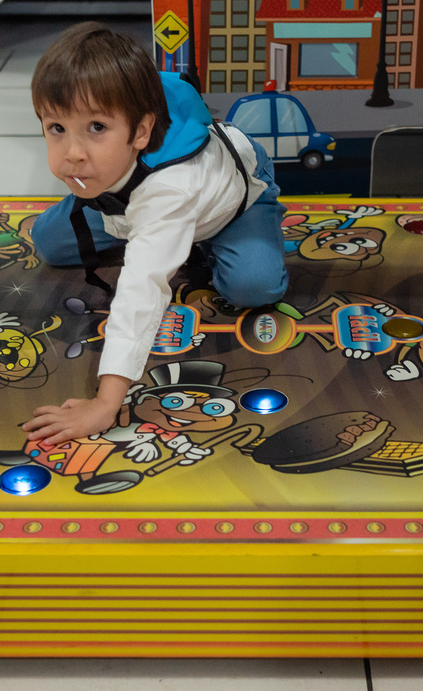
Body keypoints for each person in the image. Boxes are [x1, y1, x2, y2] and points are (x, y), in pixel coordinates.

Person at [20, 22, 288, 445]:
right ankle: (158, 235)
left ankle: (205, 238)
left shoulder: (170, 188)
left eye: (96, 128)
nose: (72, 153)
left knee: (253, 287)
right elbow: (103, 176)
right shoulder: (100, 161)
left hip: (233, 200)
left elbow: (142, 290)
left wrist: (106, 404)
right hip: (127, 200)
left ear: (141, 132)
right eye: (57, 129)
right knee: (49, 242)